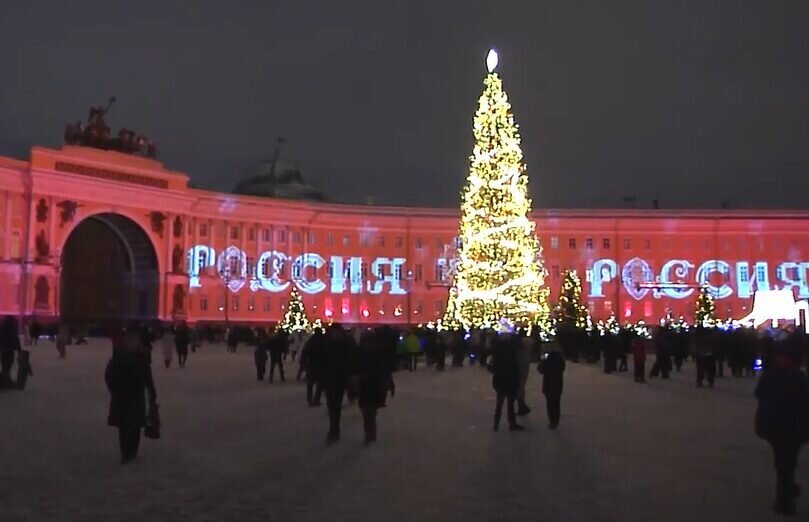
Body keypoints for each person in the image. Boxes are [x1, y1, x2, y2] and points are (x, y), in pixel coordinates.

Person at [755, 344, 809, 515]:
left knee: (783, 460)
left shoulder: (771, 373)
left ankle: (786, 492)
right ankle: (785, 497)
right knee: (788, 462)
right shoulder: (798, 376)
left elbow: (759, 393)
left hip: (772, 424)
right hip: (793, 425)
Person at [105, 326, 158, 464]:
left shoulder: (120, 354)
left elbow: (109, 374)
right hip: (133, 395)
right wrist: (152, 394)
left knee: (126, 426)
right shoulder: (141, 356)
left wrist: (113, 389)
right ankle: (131, 452)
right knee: (133, 426)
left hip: (124, 395)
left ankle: (127, 453)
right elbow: (148, 379)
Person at [321, 325, 358, 443]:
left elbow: (353, 359)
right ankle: (334, 428)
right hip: (332, 377)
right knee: (332, 405)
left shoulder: (344, 343)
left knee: (335, 404)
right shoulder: (329, 343)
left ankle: (334, 429)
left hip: (340, 377)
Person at [357, 330, 393, 444]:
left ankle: (370, 433)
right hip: (370, 385)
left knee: (368, 411)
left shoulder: (363, 354)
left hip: (370, 386)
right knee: (368, 411)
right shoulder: (376, 354)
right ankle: (370, 432)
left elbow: (385, 371)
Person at [489, 333, 523, 432]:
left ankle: (496, 423)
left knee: (499, 402)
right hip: (511, 379)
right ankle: (512, 422)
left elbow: (492, 367)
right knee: (510, 403)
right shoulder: (512, 352)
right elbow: (515, 367)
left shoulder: (497, 353)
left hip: (500, 379)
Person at [538, 345, 566, 429]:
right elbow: (562, 368)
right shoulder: (560, 360)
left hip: (548, 384)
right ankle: (556, 419)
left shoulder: (547, 361)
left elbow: (540, 369)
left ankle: (552, 420)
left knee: (550, 403)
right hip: (558, 384)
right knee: (556, 403)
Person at [300, 329, 325, 406]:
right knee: (319, 384)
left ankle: (310, 400)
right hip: (320, 365)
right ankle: (316, 399)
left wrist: (303, 363)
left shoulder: (311, 341)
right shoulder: (323, 341)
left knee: (310, 384)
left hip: (311, 364)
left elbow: (305, 352)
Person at [0, 316, 22, 387]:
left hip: (3, 349)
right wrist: (19, 350)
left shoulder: (2, 327)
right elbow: (15, 338)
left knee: (5, 365)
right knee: (8, 365)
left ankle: (5, 379)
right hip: (10, 349)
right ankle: (5, 381)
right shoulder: (12, 328)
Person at [516, 332, 533, 416]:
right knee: (521, 387)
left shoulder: (519, 350)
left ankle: (521, 404)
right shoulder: (526, 349)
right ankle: (521, 404)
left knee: (519, 387)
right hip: (524, 367)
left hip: (520, 368)